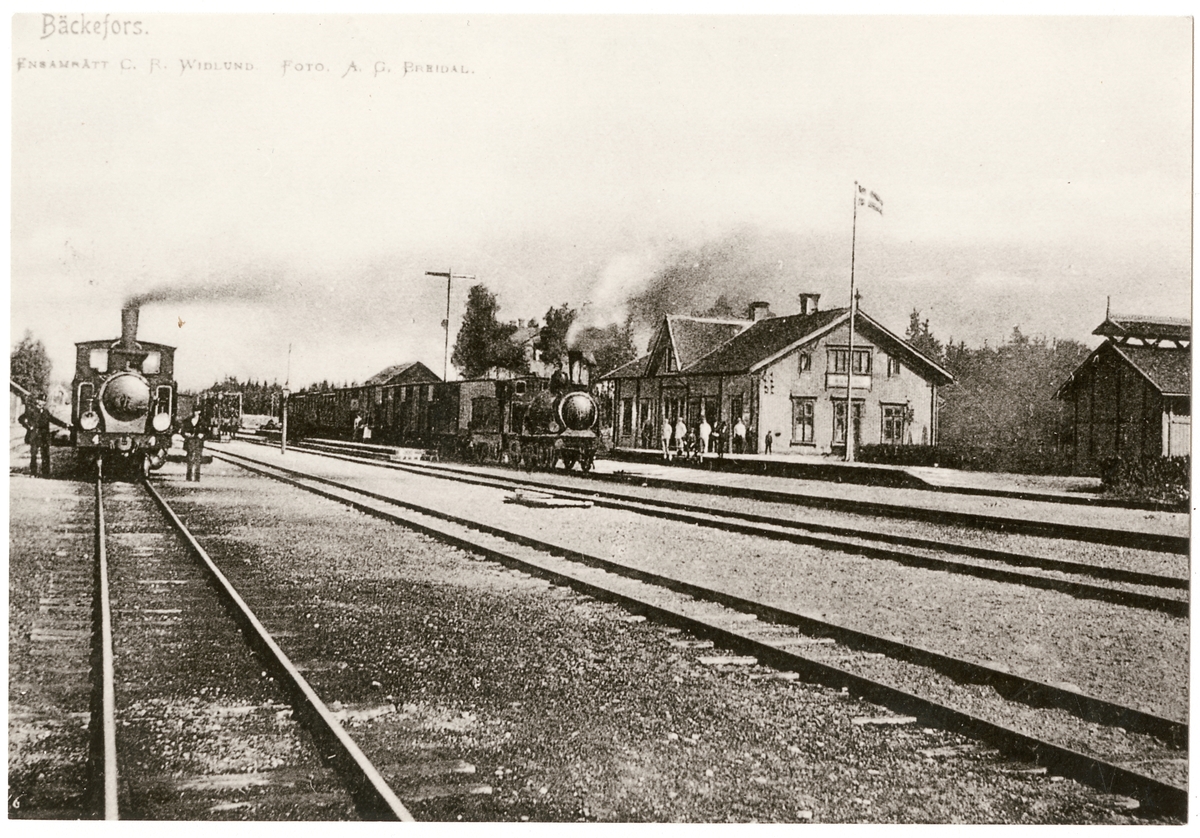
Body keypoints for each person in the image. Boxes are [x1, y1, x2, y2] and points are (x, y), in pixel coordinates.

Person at [19, 393, 52, 477]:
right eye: (41, 400)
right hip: (35, 435)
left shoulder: (45, 411)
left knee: (45, 454)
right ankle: (33, 472)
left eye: (44, 401)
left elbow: (53, 419)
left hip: (44, 436)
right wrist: (29, 426)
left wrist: (65, 425)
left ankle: (46, 473)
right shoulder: (31, 410)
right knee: (33, 454)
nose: (42, 402)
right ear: (37, 401)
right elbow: (21, 418)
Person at [181, 409, 207, 482]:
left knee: (198, 459)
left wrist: (203, 435)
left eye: (197, 411)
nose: (195, 413)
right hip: (190, 441)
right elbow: (182, 431)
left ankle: (197, 477)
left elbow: (207, 432)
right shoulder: (187, 420)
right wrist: (185, 434)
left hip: (199, 441)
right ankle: (188, 476)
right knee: (190, 458)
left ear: (199, 412)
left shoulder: (203, 422)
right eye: (194, 411)